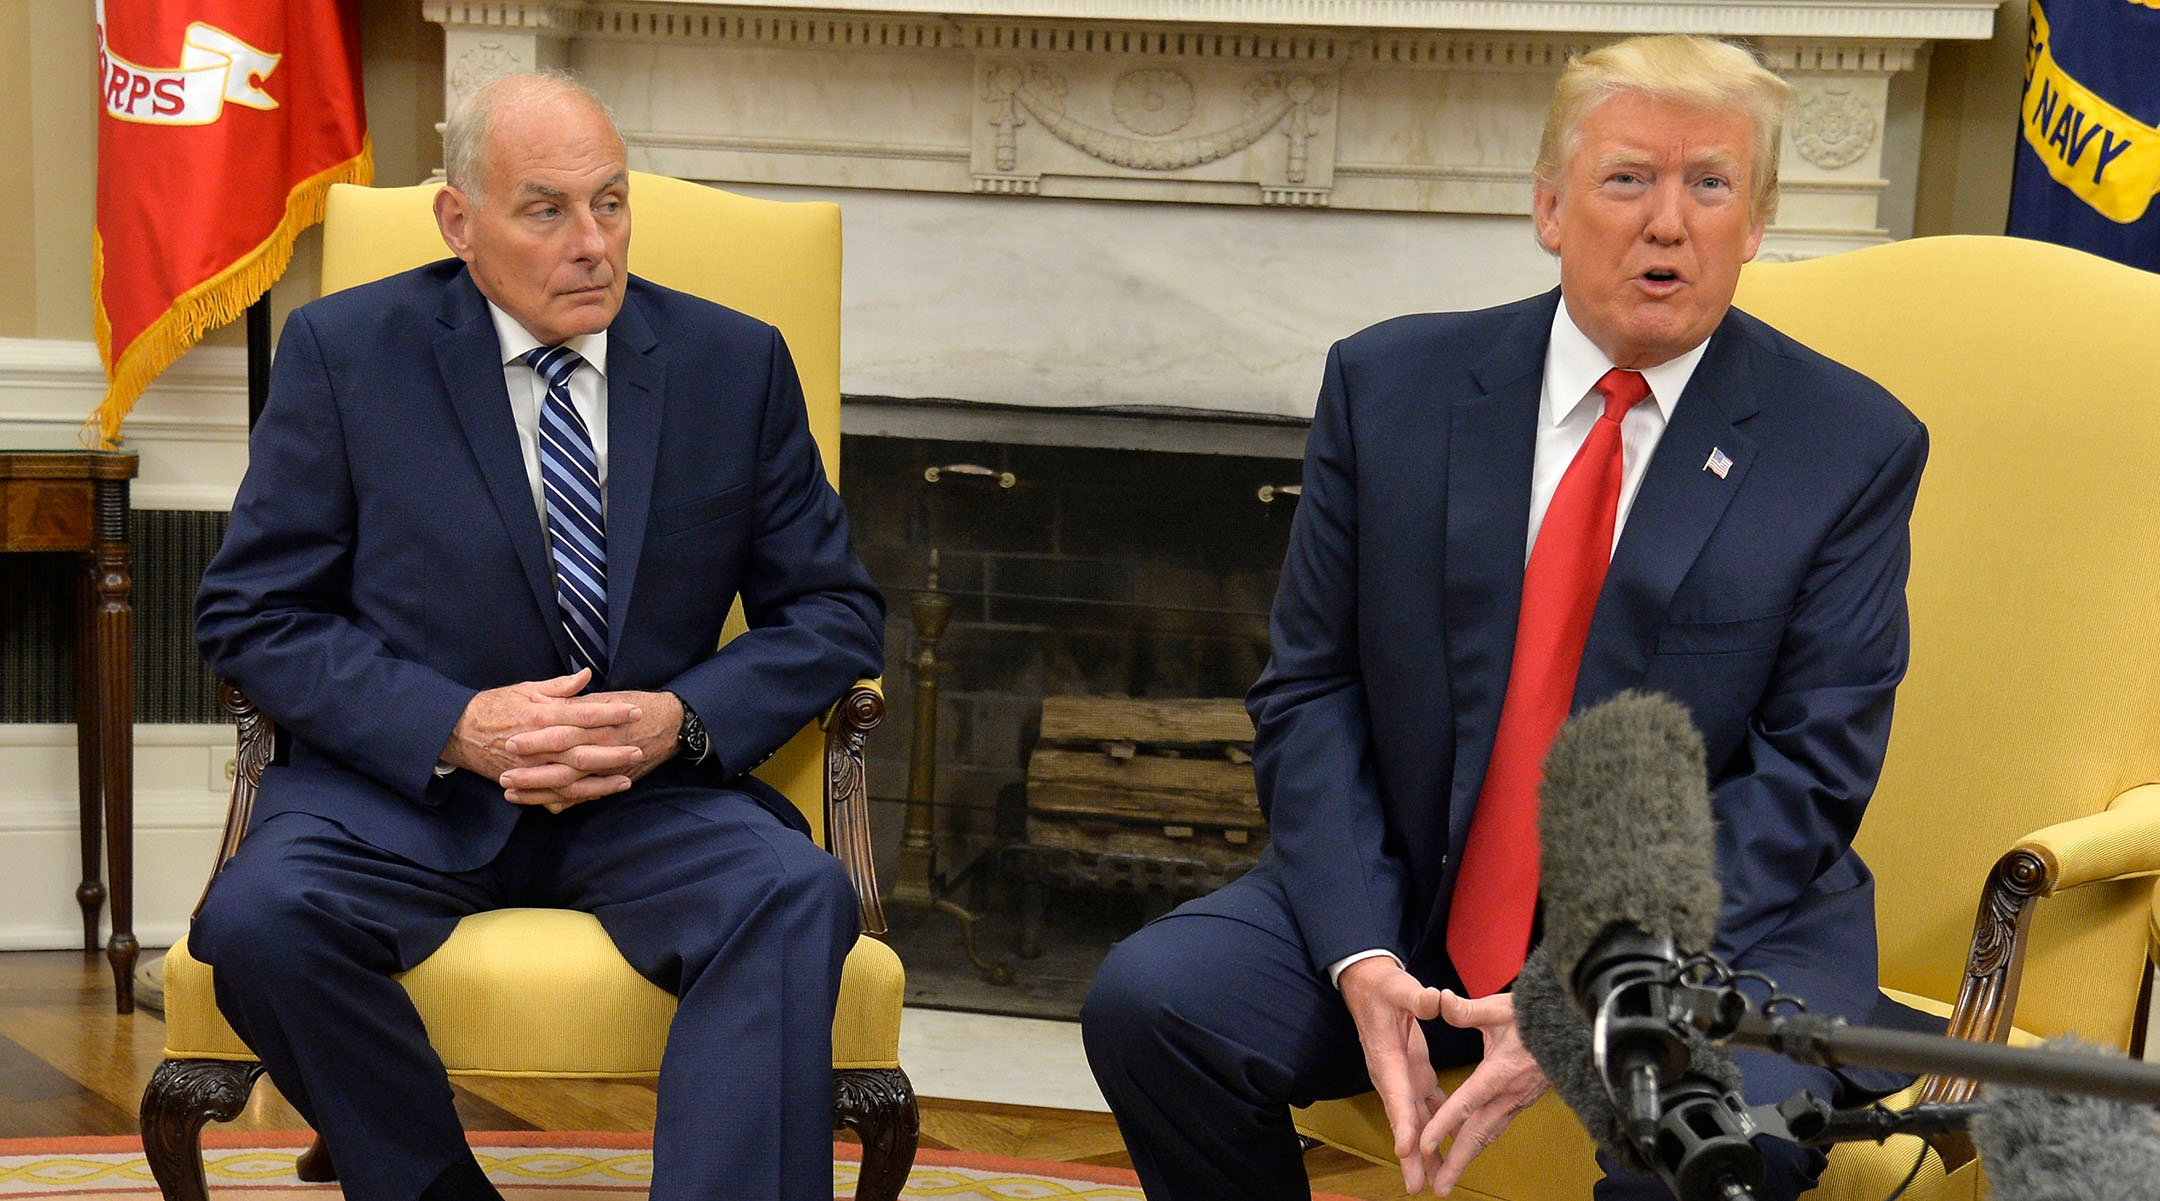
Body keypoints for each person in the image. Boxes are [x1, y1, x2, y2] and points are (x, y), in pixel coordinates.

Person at [1082, 35, 1928, 1201]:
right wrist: (1360, 948)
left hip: (1708, 932)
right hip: (1417, 892)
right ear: (1548, 206)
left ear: (1759, 217)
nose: (1668, 223)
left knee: (1702, 1137)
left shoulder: (1848, 445)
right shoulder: (1392, 388)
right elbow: (1309, 687)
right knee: (1153, 1003)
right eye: (1628, 177)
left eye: (1711, 183)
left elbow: (1809, 773)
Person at [191, 73, 883, 1201]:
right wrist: (453, 725)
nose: (593, 245)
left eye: (611, 203)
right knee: (261, 919)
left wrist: (680, 718)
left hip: (648, 793)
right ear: (459, 222)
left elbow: (835, 611)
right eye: (548, 210)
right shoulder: (345, 353)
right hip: (406, 794)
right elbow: (250, 612)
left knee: (792, 890)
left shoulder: (733, 366)